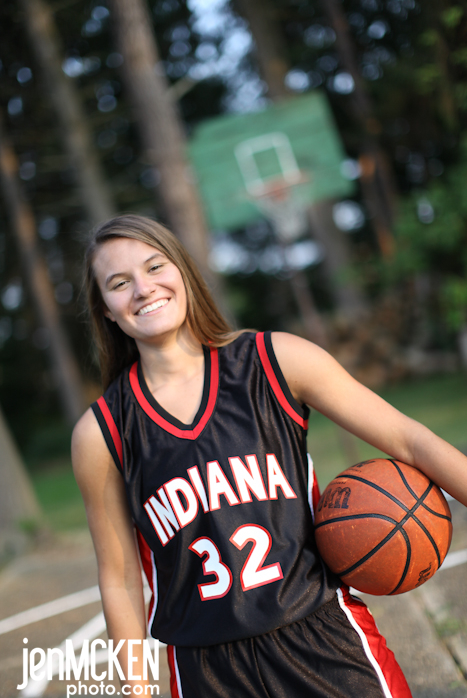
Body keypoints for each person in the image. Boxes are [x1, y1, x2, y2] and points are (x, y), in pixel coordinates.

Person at [72, 213, 467, 698]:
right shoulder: (102, 433)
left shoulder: (274, 360)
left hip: (323, 641)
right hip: (206, 671)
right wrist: (136, 690)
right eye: (119, 283)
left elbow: (409, 440)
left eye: (155, 267)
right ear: (106, 310)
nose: (143, 288)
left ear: (182, 271)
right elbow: (119, 578)